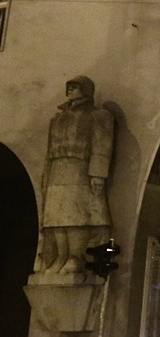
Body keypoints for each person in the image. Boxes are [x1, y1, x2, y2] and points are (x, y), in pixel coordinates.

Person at [35, 76, 114, 274]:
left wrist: (98, 173)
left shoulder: (97, 115)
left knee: (77, 216)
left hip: (79, 170)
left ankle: (75, 256)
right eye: (69, 87)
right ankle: (61, 256)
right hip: (57, 170)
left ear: (85, 90)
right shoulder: (59, 117)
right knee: (56, 218)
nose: (70, 90)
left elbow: (101, 145)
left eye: (75, 87)